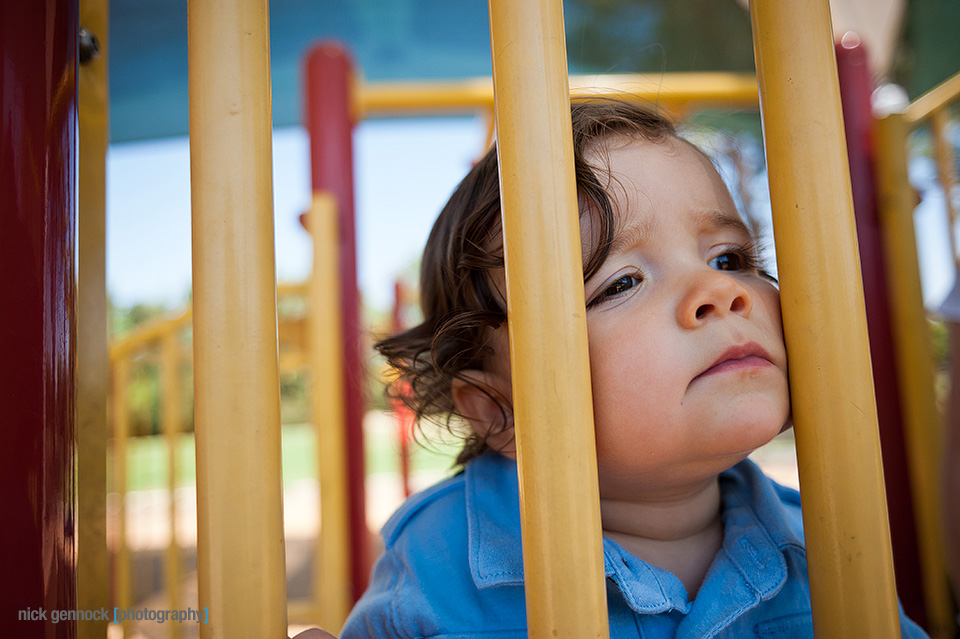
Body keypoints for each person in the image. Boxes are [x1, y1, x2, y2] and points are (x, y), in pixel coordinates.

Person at [339, 98, 928, 638]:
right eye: (621, 282)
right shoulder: (438, 564)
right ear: (498, 409)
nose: (720, 291)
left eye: (731, 257)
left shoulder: (828, 542)